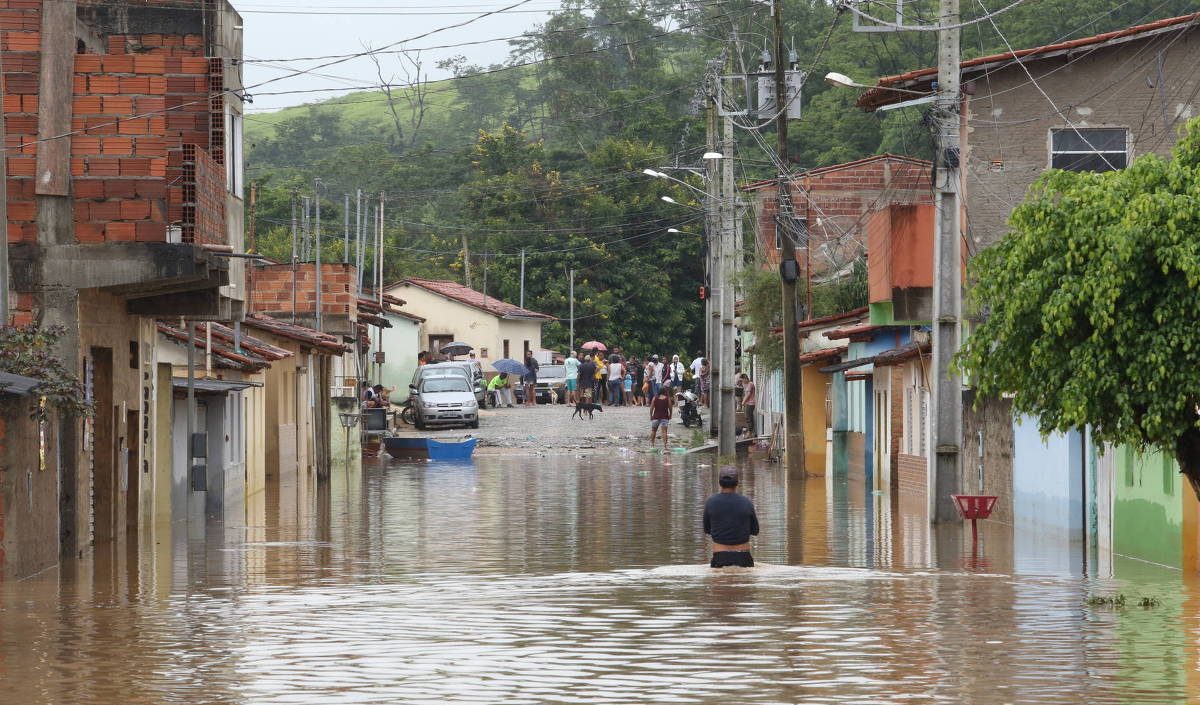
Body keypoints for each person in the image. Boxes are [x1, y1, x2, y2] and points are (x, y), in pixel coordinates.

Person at [703, 467, 759, 568]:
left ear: (720, 483)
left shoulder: (710, 502)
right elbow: (755, 531)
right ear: (737, 483)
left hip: (719, 557)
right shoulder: (747, 502)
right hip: (744, 557)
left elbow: (707, 530)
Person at [649, 386, 672, 450]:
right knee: (664, 432)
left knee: (653, 431)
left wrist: (651, 416)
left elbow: (651, 408)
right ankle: (665, 446)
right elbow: (670, 407)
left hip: (656, 417)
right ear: (665, 392)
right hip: (664, 417)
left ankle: (652, 445)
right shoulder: (667, 398)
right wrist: (670, 414)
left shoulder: (655, 398)